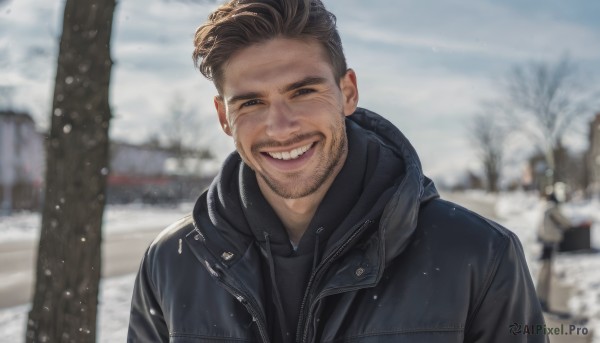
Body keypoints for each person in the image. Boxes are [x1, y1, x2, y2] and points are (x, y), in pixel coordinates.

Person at [127, 0, 546, 342]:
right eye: (250, 102)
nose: (280, 127)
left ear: (347, 92)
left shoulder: (480, 256)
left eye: (303, 91)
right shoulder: (169, 264)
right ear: (223, 117)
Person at [535, 192, 574, 311]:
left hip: (543, 243)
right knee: (546, 272)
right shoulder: (553, 209)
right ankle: (542, 300)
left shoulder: (543, 208)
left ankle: (539, 298)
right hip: (550, 243)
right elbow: (566, 223)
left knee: (543, 271)